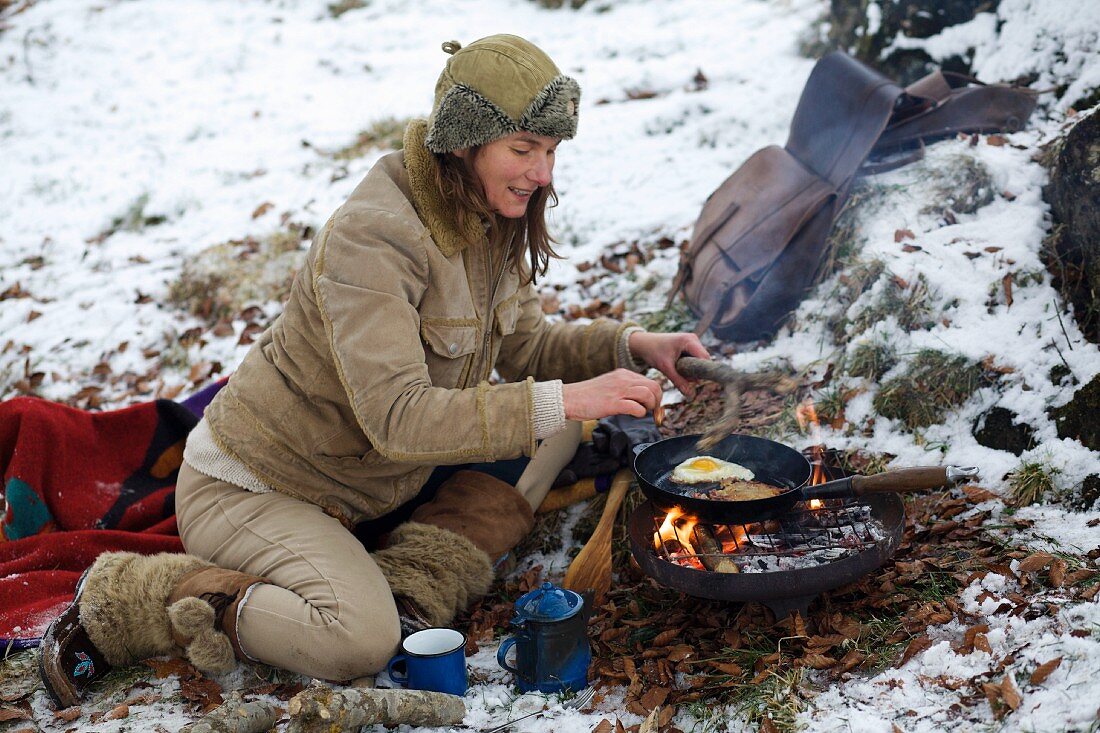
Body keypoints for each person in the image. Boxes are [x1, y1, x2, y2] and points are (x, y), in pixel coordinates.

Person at [39, 33, 708, 707]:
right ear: (465, 141)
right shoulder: (372, 235)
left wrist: (631, 345)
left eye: (552, 152)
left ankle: (413, 578)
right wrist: (565, 397)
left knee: (561, 428)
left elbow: (527, 345)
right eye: (524, 150)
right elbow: (398, 417)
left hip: (374, 484)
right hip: (258, 489)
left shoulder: (490, 212)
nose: (544, 174)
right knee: (359, 637)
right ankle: (146, 593)